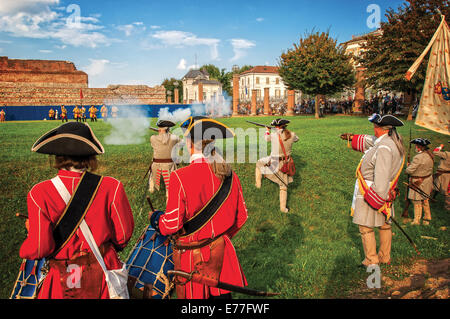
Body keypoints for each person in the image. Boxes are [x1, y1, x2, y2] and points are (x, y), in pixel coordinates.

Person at [19, 122, 134, 299]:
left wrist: (28, 239)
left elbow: (40, 247)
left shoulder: (39, 193)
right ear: (90, 155)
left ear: (57, 155)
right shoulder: (112, 186)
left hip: (61, 277)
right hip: (103, 270)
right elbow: (123, 235)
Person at [150, 116, 248, 299]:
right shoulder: (230, 175)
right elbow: (241, 217)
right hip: (221, 256)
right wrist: (219, 239)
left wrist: (155, 219)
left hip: (191, 261)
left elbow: (171, 225)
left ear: (189, 143)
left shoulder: (180, 176)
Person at [340, 114, 405, 267]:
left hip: (373, 191)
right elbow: (371, 141)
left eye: (374, 127)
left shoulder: (384, 148)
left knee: (365, 227)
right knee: (384, 225)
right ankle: (384, 257)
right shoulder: (391, 142)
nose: (373, 130)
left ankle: (371, 260)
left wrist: (377, 198)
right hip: (385, 190)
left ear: (379, 129)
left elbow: (381, 174)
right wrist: (352, 138)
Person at [255, 119, 299, 213]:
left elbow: (266, 138)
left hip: (275, 162)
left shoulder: (274, 135)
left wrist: (267, 130)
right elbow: (296, 139)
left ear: (277, 127)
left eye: (275, 127)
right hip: (286, 162)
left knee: (259, 163)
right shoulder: (292, 134)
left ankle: (258, 184)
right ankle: (283, 209)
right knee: (283, 186)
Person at [405, 138, 434, 225]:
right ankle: (427, 218)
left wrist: (408, 167)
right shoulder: (430, 155)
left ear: (419, 147)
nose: (415, 148)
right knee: (425, 199)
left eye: (416, 146)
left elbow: (409, 171)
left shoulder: (418, 157)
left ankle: (416, 220)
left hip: (418, 181)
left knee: (416, 201)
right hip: (427, 180)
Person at [148, 120, 180, 199]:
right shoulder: (174, 138)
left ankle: (151, 187)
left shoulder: (152, 138)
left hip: (156, 164)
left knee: (152, 168)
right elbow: (180, 142)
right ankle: (168, 192)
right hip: (169, 165)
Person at [433, 142, 450, 211]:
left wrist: (440, 147)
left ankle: (447, 207)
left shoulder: (447, 154)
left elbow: (435, 152)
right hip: (447, 174)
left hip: (443, 175)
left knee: (444, 190)